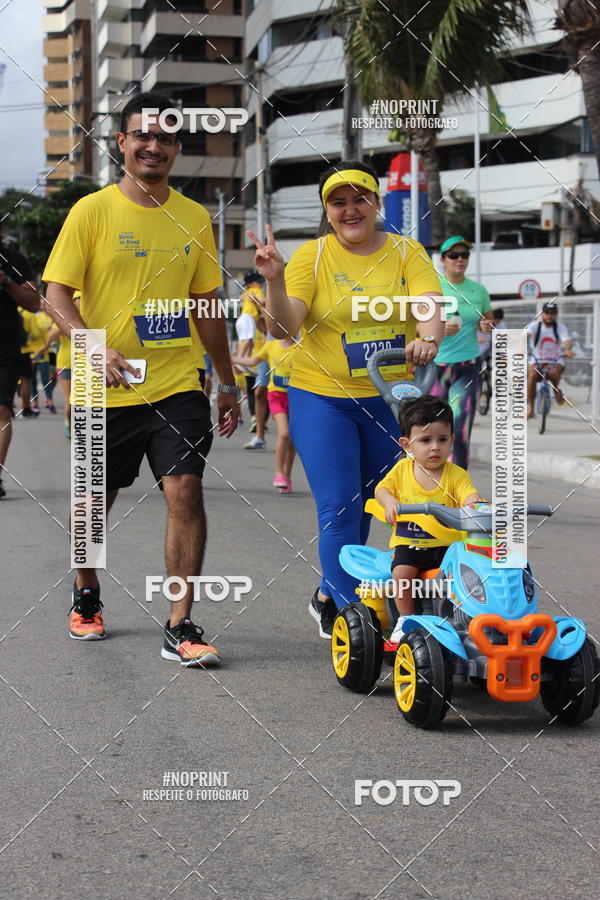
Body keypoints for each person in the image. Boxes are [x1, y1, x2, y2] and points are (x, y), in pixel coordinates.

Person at [43, 91, 239, 665]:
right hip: (101, 386)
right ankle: (86, 592)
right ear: (122, 142)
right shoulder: (91, 212)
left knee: (185, 490)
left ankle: (180, 624)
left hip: (176, 383)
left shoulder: (195, 217)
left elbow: (206, 306)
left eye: (166, 137)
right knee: (93, 504)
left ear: (177, 147)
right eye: (143, 135)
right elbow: (56, 294)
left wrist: (227, 382)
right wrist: (91, 345)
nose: (154, 145)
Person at [247, 160, 444, 638]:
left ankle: (328, 593)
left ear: (376, 202)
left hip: (389, 402)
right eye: (339, 202)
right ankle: (353, 620)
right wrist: (274, 279)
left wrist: (428, 338)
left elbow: (429, 305)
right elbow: (282, 327)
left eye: (360, 199)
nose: (351, 210)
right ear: (327, 210)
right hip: (322, 399)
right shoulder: (312, 257)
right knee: (339, 507)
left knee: (373, 504)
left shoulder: (406, 251)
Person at [375, 396, 483, 643]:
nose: (435, 447)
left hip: (448, 546)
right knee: (402, 574)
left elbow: (468, 494)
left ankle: (464, 618)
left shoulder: (456, 474)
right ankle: (405, 619)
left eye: (442, 440)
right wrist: (390, 502)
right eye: (425, 440)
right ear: (407, 444)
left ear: (452, 440)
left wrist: (474, 503)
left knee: (471, 573)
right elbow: (381, 489)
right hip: (411, 544)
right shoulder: (402, 470)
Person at [432, 235, 493, 469]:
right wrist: (439, 327)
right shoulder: (432, 287)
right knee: (432, 426)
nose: (460, 259)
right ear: (443, 259)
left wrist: (485, 326)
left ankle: (457, 482)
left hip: (468, 366)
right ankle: (428, 480)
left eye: (464, 255)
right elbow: (413, 324)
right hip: (435, 366)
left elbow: (488, 320)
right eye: (453, 255)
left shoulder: (478, 291)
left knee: (460, 426)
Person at [0, 226, 40, 496]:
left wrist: (6, 282)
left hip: (5, 348)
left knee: (2, 411)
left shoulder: (14, 260)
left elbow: (35, 303)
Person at [232, 332, 296, 492]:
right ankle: (279, 474)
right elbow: (253, 361)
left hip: (296, 397)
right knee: (284, 434)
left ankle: (287, 476)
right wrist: (232, 358)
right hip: (276, 396)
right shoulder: (271, 346)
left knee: (292, 440)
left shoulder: (302, 348)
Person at [235, 271, 269, 448]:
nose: (261, 284)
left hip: (244, 320)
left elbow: (243, 297)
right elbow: (262, 303)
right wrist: (261, 302)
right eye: (259, 281)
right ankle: (240, 360)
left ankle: (241, 359)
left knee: (246, 341)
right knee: (248, 341)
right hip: (250, 323)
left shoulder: (248, 294)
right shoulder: (256, 292)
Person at [525, 300, 573, 417]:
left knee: (553, 373)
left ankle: (556, 391)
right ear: (542, 314)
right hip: (537, 360)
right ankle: (531, 409)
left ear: (556, 314)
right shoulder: (534, 326)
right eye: (547, 313)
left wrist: (568, 350)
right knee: (531, 377)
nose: (549, 316)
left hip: (555, 360)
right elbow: (526, 336)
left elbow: (566, 341)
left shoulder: (560, 327)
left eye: (552, 313)